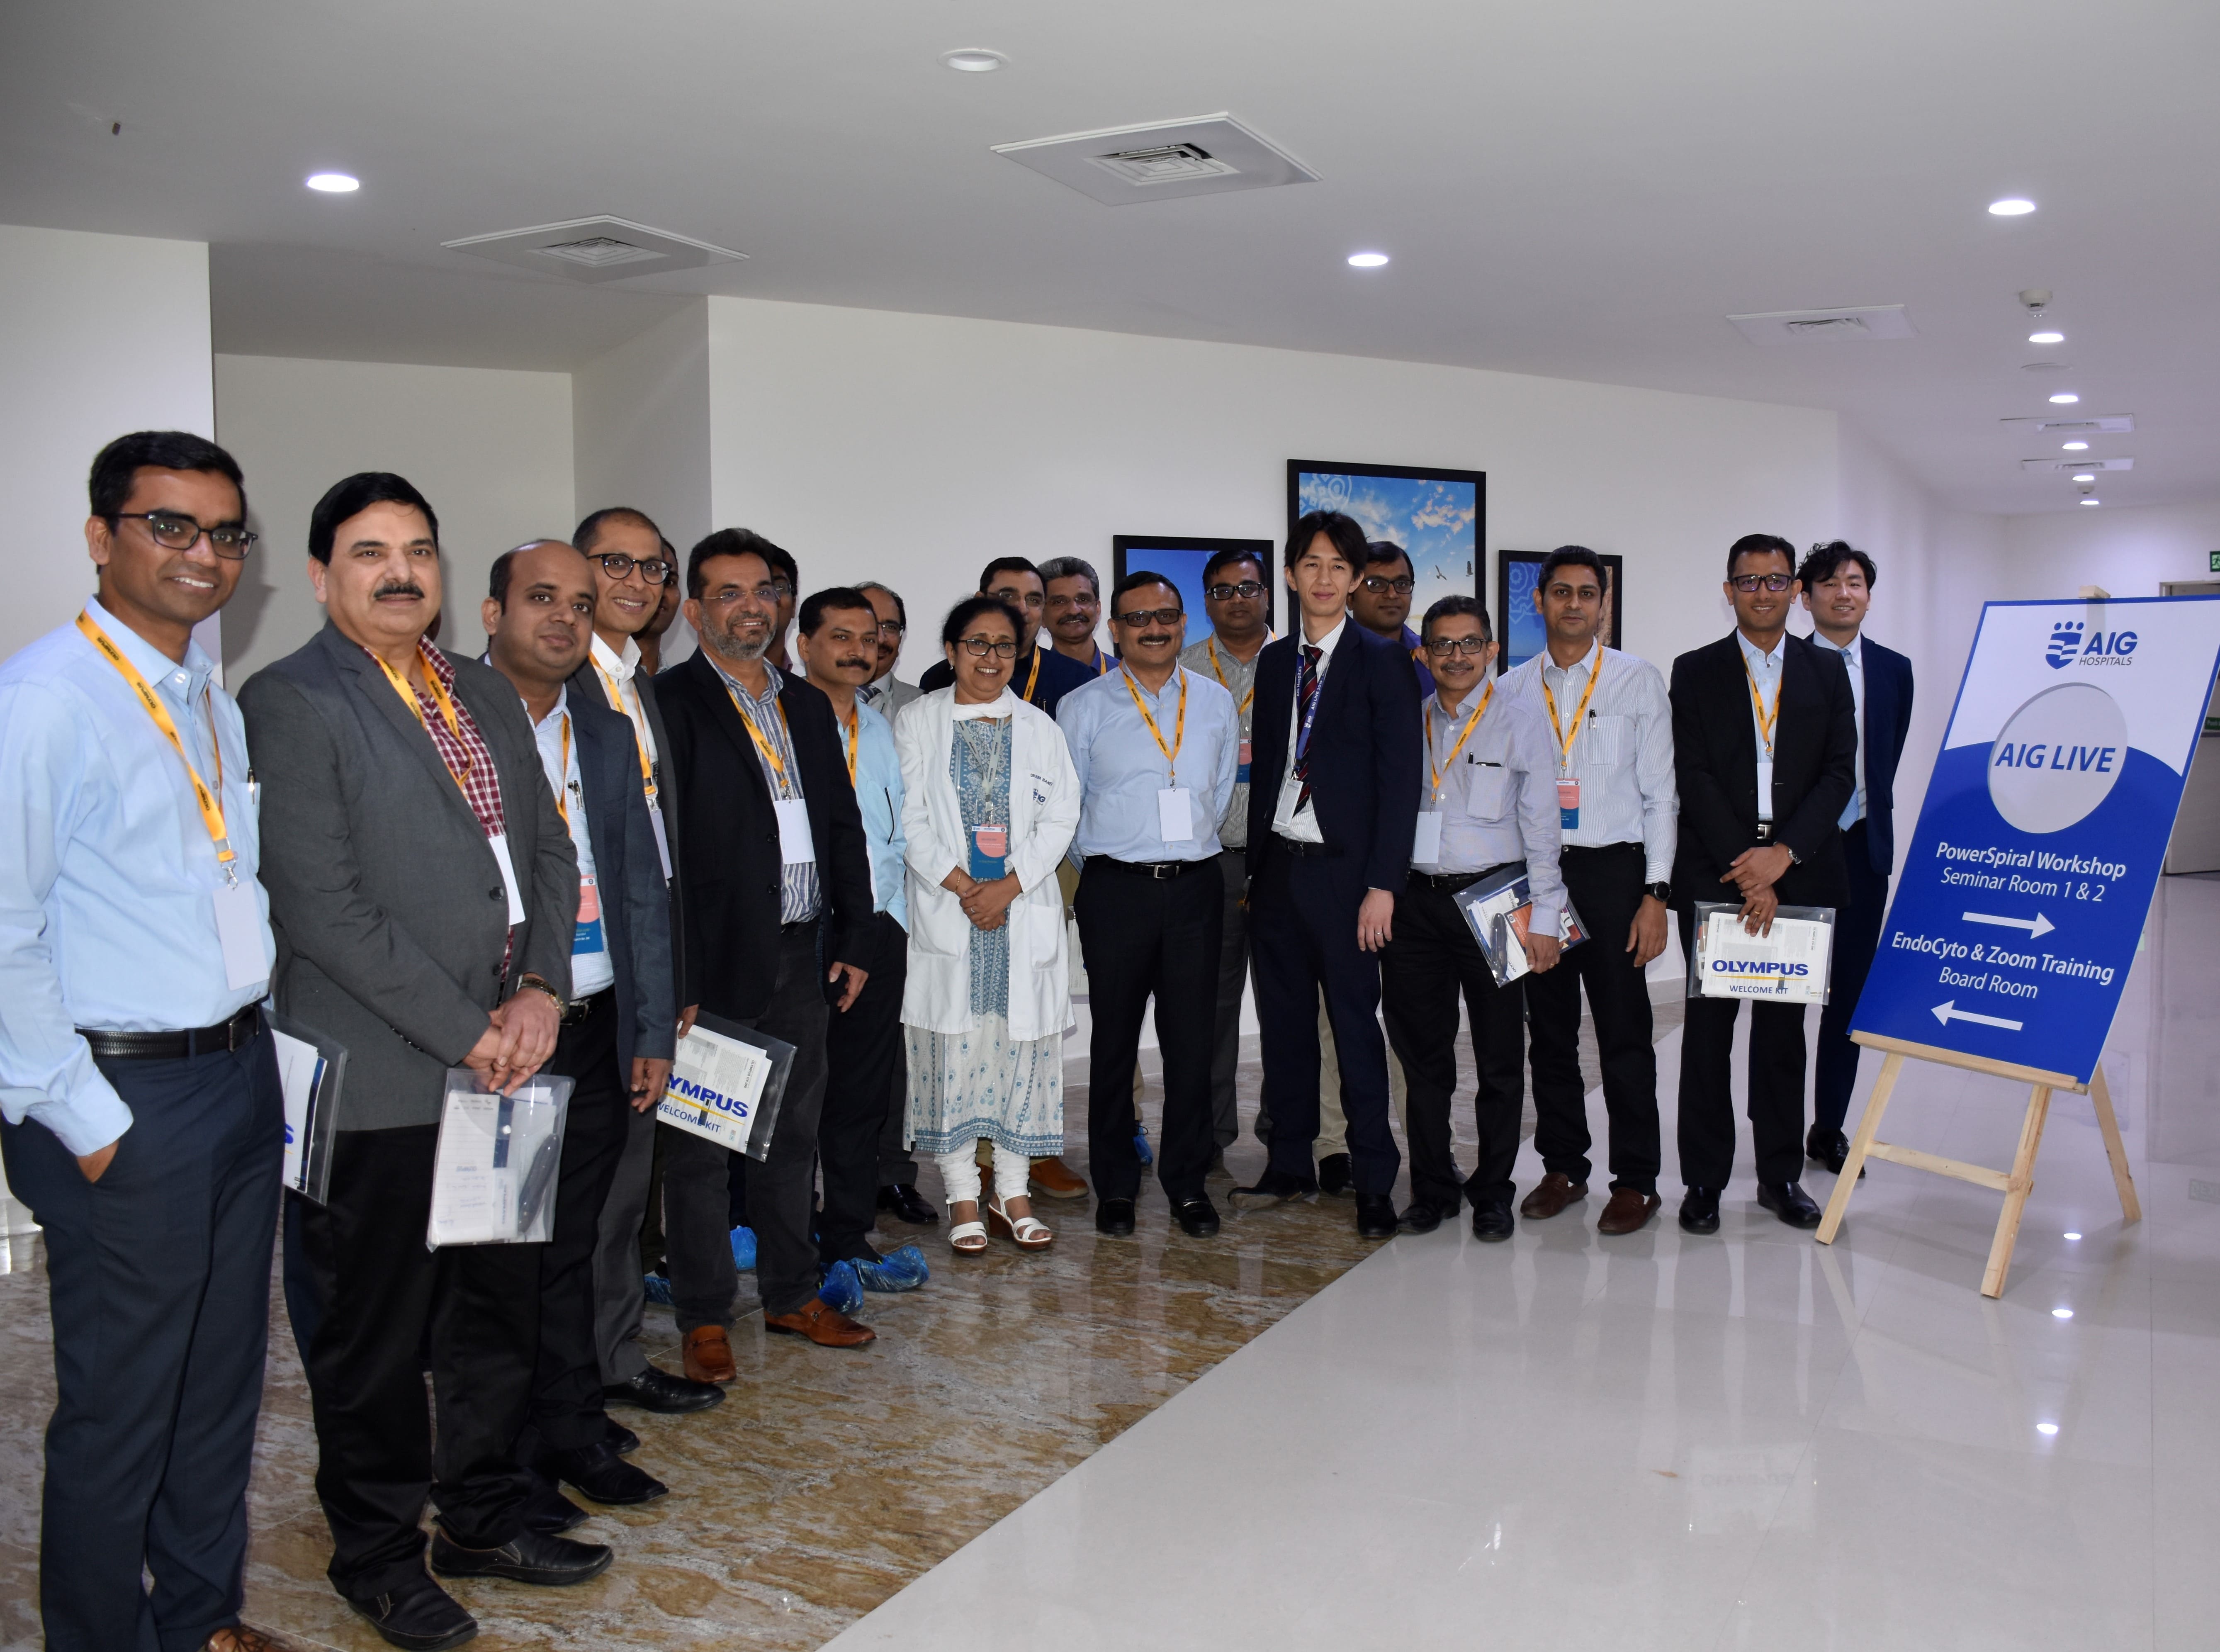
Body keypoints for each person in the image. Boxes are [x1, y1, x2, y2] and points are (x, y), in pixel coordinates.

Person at [243, 472, 609, 1650]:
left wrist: (541, 990)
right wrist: (471, 1029)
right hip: (383, 1080)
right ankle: (378, 1554)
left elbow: (549, 850)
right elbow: (323, 908)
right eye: (369, 552)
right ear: (320, 576)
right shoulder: (292, 700)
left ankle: (484, 1516)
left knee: (493, 1310)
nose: (399, 571)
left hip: (509, 1064)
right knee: (375, 1339)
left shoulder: (480, 688)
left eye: (417, 549)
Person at [0, 432, 281, 1652]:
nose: (202, 553)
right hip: (126, 1099)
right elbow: (1, 933)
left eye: (224, 532)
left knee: (218, 1389)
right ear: (100, 536)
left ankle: (202, 1621)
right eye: (169, 525)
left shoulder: (203, 691)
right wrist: (86, 1119)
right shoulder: (45, 701)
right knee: (121, 1412)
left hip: (235, 1076)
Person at [480, 540, 678, 1525]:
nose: (564, 617)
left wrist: (651, 1024)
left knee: (572, 1242)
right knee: (499, 1255)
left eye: (580, 603)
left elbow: (638, 881)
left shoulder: (600, 726)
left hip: (597, 1017)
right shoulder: (455, 723)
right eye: (541, 597)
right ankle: (501, 1455)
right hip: (499, 1036)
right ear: (491, 613)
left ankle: (571, 1426)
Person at [656, 528, 879, 1354]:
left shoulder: (806, 703)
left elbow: (842, 826)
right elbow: (662, 851)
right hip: (713, 961)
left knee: (791, 1136)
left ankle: (792, 1293)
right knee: (700, 1145)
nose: (752, 607)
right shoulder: (669, 703)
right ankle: (704, 1312)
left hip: (801, 951)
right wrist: (677, 975)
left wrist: (854, 932)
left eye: (764, 590)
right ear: (694, 610)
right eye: (729, 592)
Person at [566, 506, 724, 1420]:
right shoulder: (557, 681)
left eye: (652, 567)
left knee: (627, 1189)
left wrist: (675, 982)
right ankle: (574, 1373)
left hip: (641, 969)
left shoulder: (637, 683)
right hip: (577, 975)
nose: (637, 582)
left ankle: (614, 1358)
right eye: (614, 563)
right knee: (580, 1198)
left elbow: (667, 850)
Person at [1231, 511, 1422, 1240]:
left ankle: (1373, 1178)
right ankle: (1289, 1162)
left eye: (1338, 566)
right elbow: (1271, 767)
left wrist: (1384, 885)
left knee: (1354, 1031)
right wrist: (1255, 874)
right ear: (1290, 574)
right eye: (1310, 564)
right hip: (1280, 868)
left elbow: (1400, 784)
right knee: (1283, 1029)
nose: (1323, 578)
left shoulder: (1383, 662)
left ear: (1356, 579)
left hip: (1348, 879)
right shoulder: (1276, 661)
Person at [1669, 533, 1857, 1236]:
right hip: (1718, 873)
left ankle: (1779, 1175)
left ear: (1794, 591)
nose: (1761, 592)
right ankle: (1703, 1179)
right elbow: (1691, 773)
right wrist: (1746, 865)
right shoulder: (1694, 670)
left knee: (1782, 1038)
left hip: (1800, 873)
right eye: (1747, 581)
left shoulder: (1826, 670)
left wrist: (1782, 855)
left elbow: (1839, 772)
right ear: (1728, 591)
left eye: (1775, 580)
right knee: (1706, 1036)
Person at [1502, 547, 1678, 1235]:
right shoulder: (1512, 687)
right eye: (1560, 592)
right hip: (1537, 875)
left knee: (1623, 1034)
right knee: (1547, 1032)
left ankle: (1635, 1180)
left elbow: (1661, 795)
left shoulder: (1637, 680)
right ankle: (1563, 1167)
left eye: (1586, 593)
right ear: (1540, 600)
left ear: (1603, 603)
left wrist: (1655, 894)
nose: (1573, 603)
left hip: (1613, 876)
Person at [898, 597, 1082, 1253]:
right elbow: (908, 817)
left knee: (1018, 1059)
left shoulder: (1040, 727)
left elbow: (1062, 815)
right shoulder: (917, 720)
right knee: (953, 1056)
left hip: (1018, 911)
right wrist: (963, 886)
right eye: (976, 643)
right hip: (951, 911)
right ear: (951, 651)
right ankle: (961, 1195)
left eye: (1004, 645)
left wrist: (1007, 886)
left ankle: (1013, 1192)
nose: (991, 656)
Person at [1059, 573, 1239, 1238]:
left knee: (1192, 1040)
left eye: (1165, 615)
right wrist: (1113, 867)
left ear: (1183, 622)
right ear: (1115, 629)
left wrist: (1181, 850)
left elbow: (1219, 793)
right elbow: (1068, 806)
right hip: (1116, 889)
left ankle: (1187, 1182)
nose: (1153, 628)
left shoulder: (1215, 701)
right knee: (1112, 1040)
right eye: (1138, 619)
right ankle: (1116, 1185)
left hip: (1195, 887)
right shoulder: (1082, 705)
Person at [1382, 595, 1563, 1240]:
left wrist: (1548, 915)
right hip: (1415, 904)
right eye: (1442, 644)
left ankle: (1493, 1191)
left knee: (1500, 1057)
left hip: (1499, 897)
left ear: (1491, 650)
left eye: (1468, 643)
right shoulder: (1407, 720)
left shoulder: (1522, 722)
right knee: (1422, 1055)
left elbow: (1543, 827)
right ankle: (1432, 1188)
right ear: (1424, 653)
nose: (1455, 656)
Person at [794, 586, 931, 1288]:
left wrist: (893, 920)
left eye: (870, 637)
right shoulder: (781, 721)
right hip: (801, 931)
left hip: (877, 928)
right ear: (805, 645)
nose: (859, 650)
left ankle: (847, 1235)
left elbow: (899, 832)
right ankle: (786, 1236)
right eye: (841, 636)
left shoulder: (880, 730)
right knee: (794, 1096)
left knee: (860, 1092)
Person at [1798, 540, 1913, 1175]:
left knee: (1848, 999)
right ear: (1806, 595)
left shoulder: (1895, 670)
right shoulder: (1784, 665)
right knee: (1785, 997)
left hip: (1863, 849)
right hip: (1798, 854)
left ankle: (1829, 1127)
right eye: (1830, 583)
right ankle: (1778, 1133)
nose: (1844, 593)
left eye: (1855, 582)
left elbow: (1885, 758)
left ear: (1868, 594)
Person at [1177, 547, 1273, 1158]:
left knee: (1286, 1004)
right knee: (1208, 1006)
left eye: (1247, 588)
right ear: (1206, 600)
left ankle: (1285, 1133)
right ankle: (1208, 1135)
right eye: (1222, 590)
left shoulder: (1299, 664)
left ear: (1267, 593)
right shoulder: (1182, 667)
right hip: (1211, 861)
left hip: (1283, 860)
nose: (1236, 599)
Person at [917, 555, 1095, 718]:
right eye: (1008, 596)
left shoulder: (1077, 679)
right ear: (980, 601)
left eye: (1033, 600)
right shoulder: (939, 678)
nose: (1022, 609)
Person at [1351, 539, 1434, 698]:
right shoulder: (1327, 659)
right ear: (1349, 597)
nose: (1392, 594)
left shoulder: (1432, 657)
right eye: (1376, 584)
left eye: (1402, 584)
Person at [856, 579, 922, 721]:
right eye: (870, 624)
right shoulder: (811, 696)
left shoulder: (923, 705)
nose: (880, 639)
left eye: (890, 628)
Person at [1041, 554, 1113, 675]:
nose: (1073, 611)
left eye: (1083, 600)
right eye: (1059, 602)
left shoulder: (1127, 677)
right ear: (1042, 616)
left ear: (1098, 609)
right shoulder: (1027, 680)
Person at [757, 534, 800, 672]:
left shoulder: (809, 683)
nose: (770, 597)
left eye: (779, 587)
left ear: (794, 605)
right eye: (760, 590)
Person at [637, 547, 682, 674]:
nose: (660, 592)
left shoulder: (681, 682)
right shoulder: (590, 677)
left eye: (669, 582)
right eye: (649, 574)